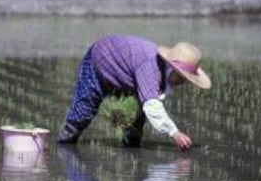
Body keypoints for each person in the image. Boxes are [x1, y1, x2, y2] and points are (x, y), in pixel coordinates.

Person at [57, 35, 211, 151]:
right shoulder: (150, 67)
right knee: (84, 110)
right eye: (181, 77)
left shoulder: (163, 70)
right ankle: (64, 145)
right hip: (100, 59)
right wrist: (175, 133)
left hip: (125, 70)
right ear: (173, 69)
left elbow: (150, 98)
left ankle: (131, 149)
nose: (182, 82)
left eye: (185, 79)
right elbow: (152, 106)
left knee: (137, 116)